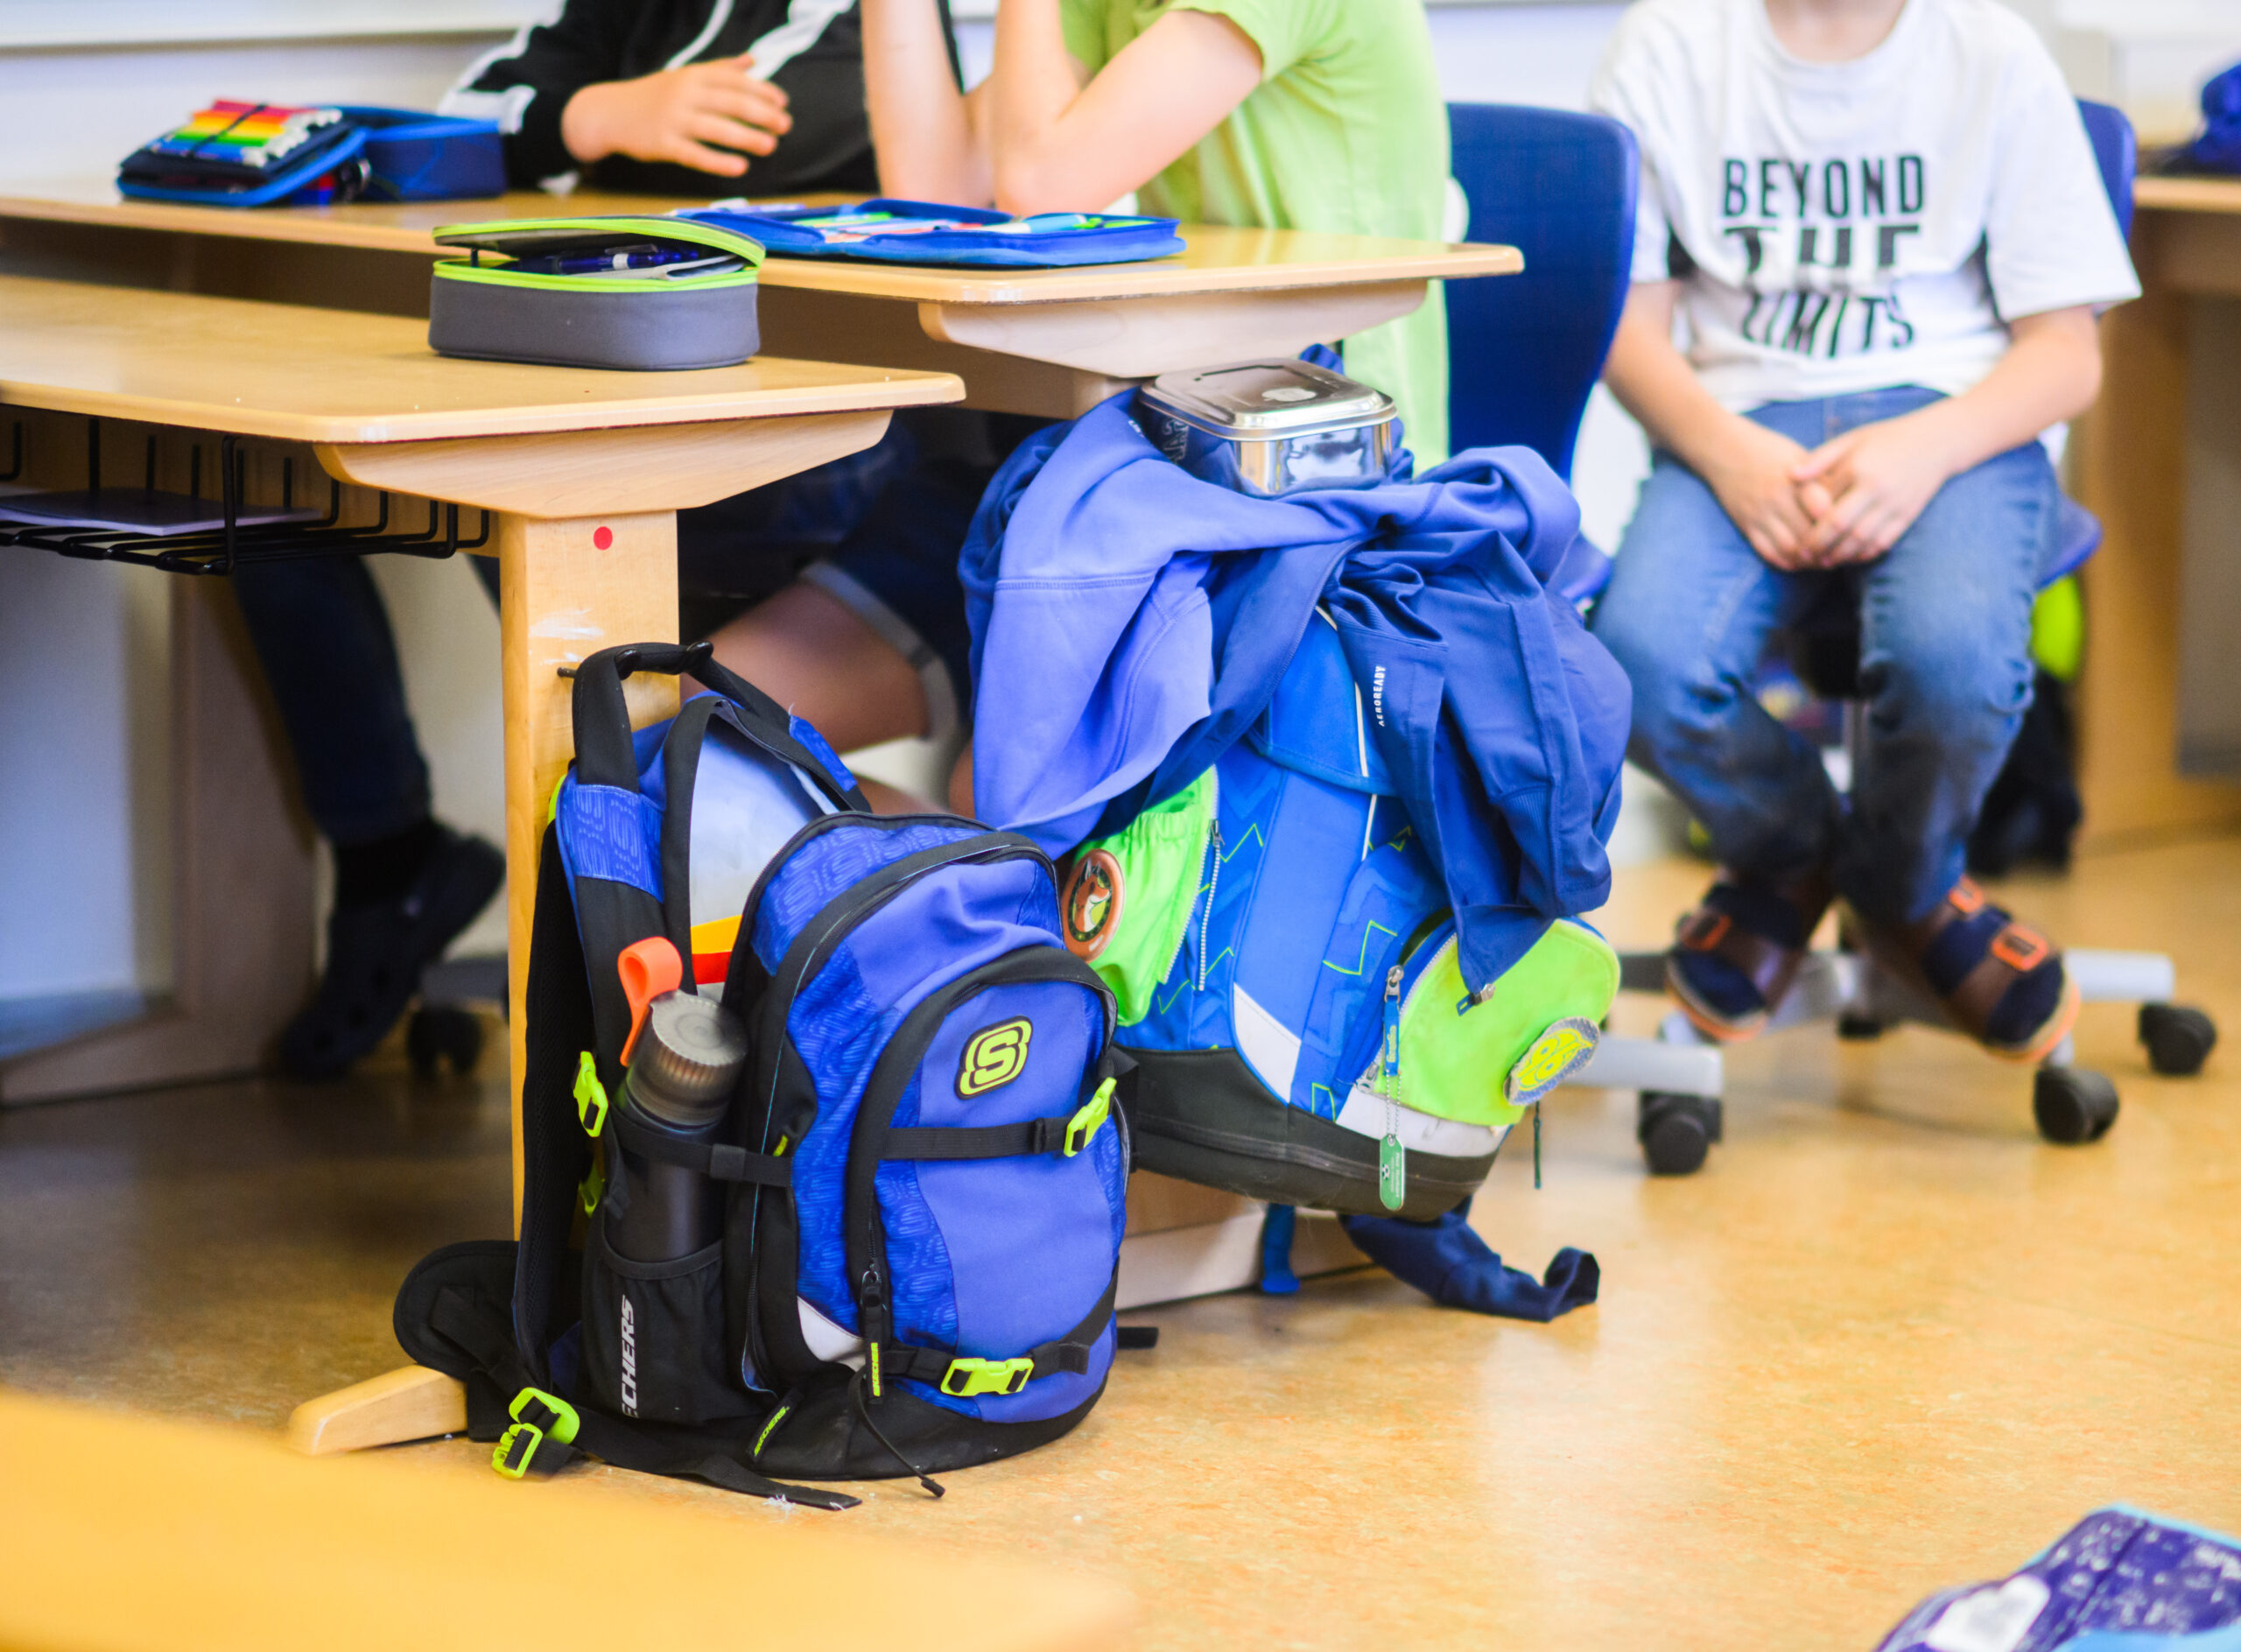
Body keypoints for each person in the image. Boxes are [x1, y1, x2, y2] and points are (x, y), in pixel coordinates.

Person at [237, 0, 895, 1079]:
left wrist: (580, 125)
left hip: (802, 439)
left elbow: (716, 146)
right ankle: (388, 855)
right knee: (273, 489)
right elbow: (455, 122)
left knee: (541, 535)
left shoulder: (843, 24)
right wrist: (600, 113)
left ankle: (604, 966)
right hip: (606, 384)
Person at [704, 0, 1452, 813]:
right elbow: (943, 192)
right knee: (694, 728)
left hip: (1303, 510)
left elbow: (1042, 185)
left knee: (1004, 795)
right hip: (1112, 480)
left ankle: (980, 904)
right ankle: (959, 901)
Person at [1585, 0, 2139, 1058]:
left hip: (1954, 419)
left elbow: (2066, 355)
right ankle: (1809, 858)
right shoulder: (1666, 44)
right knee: (1635, 668)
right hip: (1739, 422)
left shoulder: (1989, 53)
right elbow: (1630, 326)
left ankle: (1899, 886)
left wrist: (1922, 449)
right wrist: (1726, 452)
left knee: (1950, 667)